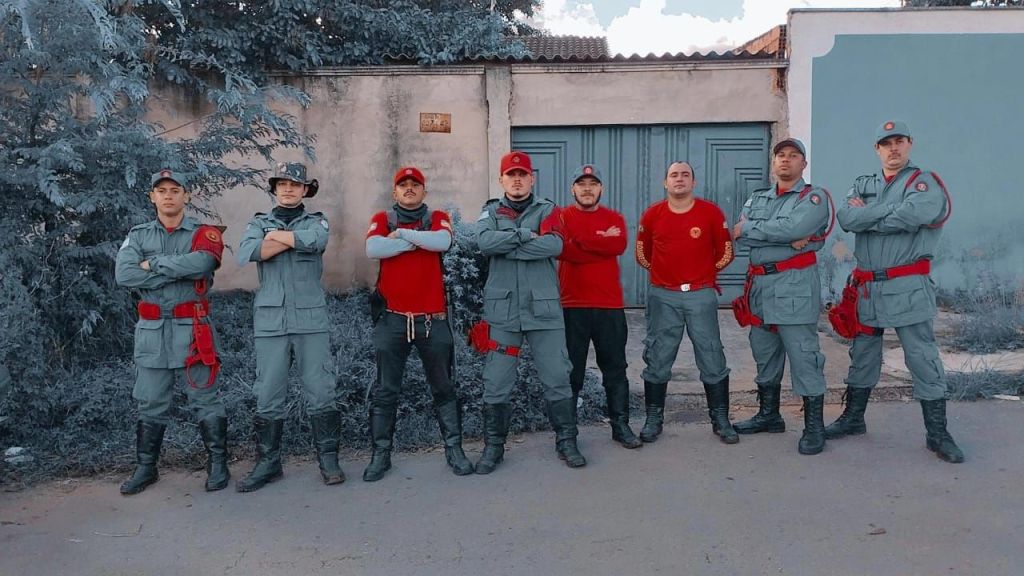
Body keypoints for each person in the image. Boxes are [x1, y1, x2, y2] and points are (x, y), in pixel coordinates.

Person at [831, 120, 963, 463]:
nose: (893, 148)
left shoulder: (923, 182)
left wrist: (868, 216)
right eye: (886, 143)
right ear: (877, 149)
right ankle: (853, 418)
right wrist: (887, 215)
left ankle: (937, 433)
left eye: (899, 141)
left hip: (907, 285)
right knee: (863, 355)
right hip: (867, 288)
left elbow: (915, 214)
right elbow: (846, 218)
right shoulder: (864, 183)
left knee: (921, 357)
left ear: (909, 144)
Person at [115, 169, 228, 495]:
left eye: (175, 190)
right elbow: (125, 275)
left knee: (205, 398)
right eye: (161, 190)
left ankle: (218, 464)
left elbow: (203, 264)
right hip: (152, 332)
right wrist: (178, 268)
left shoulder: (204, 233)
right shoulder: (138, 236)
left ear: (186, 195)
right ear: (152, 196)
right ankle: (146, 468)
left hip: (193, 329)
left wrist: (153, 264)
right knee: (149, 400)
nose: (168, 196)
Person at [472, 150, 586, 473]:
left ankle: (567, 441)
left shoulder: (548, 210)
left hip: (543, 310)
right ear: (501, 180)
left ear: (532, 179)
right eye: (511, 175)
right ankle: (494, 447)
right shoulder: (490, 211)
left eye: (522, 174)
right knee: (496, 380)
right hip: (504, 313)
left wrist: (507, 247)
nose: (517, 180)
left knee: (557, 376)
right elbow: (485, 243)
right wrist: (524, 236)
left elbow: (554, 245)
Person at [235, 162, 344, 491]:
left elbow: (318, 240)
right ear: (274, 188)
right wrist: (293, 241)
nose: (288, 189)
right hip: (271, 321)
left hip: (311, 320)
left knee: (321, 389)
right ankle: (268, 463)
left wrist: (276, 238)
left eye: (295, 184)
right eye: (282, 183)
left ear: (305, 190)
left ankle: (328, 459)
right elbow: (248, 251)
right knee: (268, 392)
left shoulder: (316, 221)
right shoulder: (258, 222)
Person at [362, 166, 474, 481]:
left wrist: (402, 236)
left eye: (415, 184)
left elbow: (442, 242)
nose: (409, 188)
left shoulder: (437, 216)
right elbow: (373, 248)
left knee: (444, 388)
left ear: (424, 190)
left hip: (432, 321)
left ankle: (454, 450)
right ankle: (380, 456)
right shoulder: (383, 218)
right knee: (385, 391)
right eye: (403, 185)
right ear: (394, 191)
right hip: (392, 320)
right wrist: (417, 242)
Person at [731, 138, 832, 455]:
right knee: (764, 353)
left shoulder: (813, 197)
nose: (785, 160)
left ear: (804, 164)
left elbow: (791, 229)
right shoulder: (758, 197)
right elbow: (746, 236)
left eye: (793, 155)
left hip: (794, 286)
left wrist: (755, 229)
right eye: (780, 155)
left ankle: (814, 428)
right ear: (773, 163)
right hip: (760, 287)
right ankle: (769, 415)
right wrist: (785, 235)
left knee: (804, 355)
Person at [635, 161, 737, 445]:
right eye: (673, 175)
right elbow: (643, 255)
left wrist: (703, 276)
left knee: (711, 354)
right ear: (665, 182)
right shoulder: (652, 215)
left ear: (693, 182)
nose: (679, 179)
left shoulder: (710, 213)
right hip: (663, 296)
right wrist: (665, 277)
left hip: (700, 295)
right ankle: (653, 418)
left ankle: (720, 419)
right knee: (658, 355)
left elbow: (726, 252)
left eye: (685, 175)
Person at [557, 164, 641, 449]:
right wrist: (598, 240)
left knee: (615, 369)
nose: (587, 189)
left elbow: (617, 245)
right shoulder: (561, 217)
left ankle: (621, 427)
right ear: (573, 189)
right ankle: (568, 436)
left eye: (592, 184)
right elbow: (563, 249)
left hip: (609, 306)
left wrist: (579, 241)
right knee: (571, 373)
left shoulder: (614, 218)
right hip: (572, 305)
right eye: (582, 184)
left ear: (601, 188)